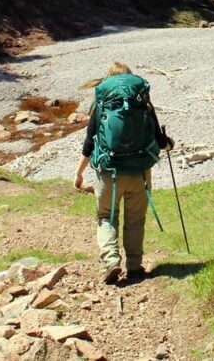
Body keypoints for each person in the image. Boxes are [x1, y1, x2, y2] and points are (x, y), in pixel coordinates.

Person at [74, 62, 173, 284]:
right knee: (135, 219)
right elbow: (159, 140)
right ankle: (135, 267)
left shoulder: (102, 104)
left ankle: (111, 260)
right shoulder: (143, 104)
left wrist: (79, 173)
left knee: (105, 216)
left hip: (109, 173)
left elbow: (89, 143)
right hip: (139, 172)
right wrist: (169, 144)